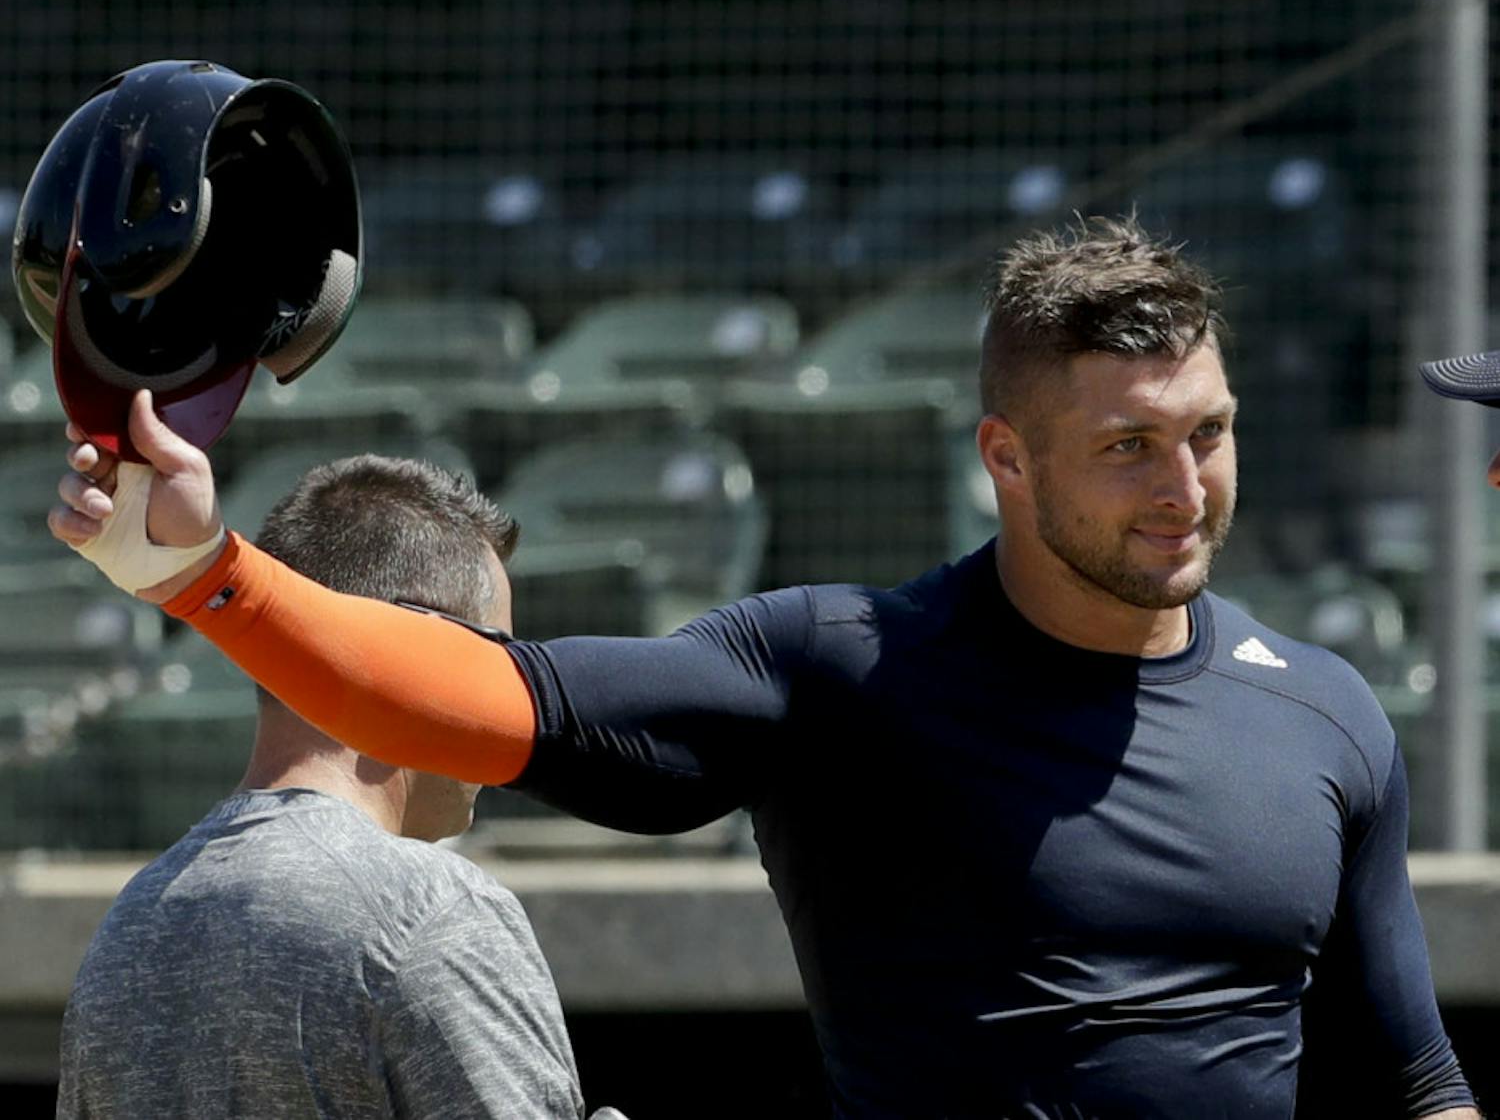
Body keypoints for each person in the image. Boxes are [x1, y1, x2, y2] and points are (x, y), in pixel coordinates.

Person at [51, 216, 1477, 1119]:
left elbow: (1411, 1078)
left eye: (1208, 433)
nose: (1184, 485)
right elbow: (477, 702)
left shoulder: (1326, 713)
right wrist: (204, 575)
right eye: (1127, 447)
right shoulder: (839, 670)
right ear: (1007, 459)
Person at [55, 454, 619, 1120]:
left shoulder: (131, 926)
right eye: (500, 658)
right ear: (429, 646)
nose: (510, 696)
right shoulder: (431, 909)